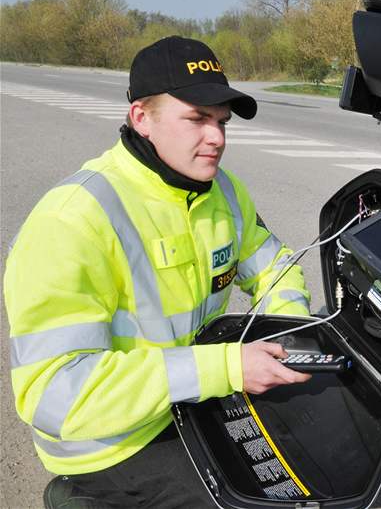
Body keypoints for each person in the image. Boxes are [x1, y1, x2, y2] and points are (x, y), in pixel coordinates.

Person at [4, 36, 313, 507]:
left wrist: (287, 334)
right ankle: (79, 498)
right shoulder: (72, 220)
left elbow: (274, 266)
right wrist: (226, 367)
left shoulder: (220, 192)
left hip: (190, 399)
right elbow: (56, 395)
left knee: (314, 465)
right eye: (196, 119)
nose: (217, 138)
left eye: (221, 122)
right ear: (141, 118)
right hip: (113, 444)